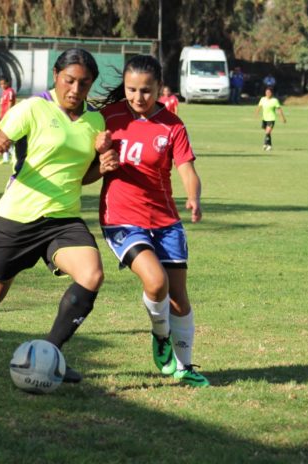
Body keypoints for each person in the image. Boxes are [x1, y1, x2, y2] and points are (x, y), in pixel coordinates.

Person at [0, 48, 119, 383]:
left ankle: (50, 354)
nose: (75, 90)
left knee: (91, 274)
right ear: (55, 75)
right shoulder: (33, 108)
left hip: (63, 219)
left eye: (84, 83)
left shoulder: (95, 120)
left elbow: (81, 175)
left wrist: (102, 166)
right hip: (17, 219)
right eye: (70, 81)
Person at [93, 55, 209, 387]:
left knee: (178, 297)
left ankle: (184, 367)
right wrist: (99, 154)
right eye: (131, 90)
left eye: (146, 90)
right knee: (156, 282)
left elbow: (188, 170)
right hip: (121, 219)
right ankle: (161, 337)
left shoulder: (172, 125)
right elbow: (86, 167)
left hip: (165, 220)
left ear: (159, 87)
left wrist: (194, 198)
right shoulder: (107, 118)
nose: (138, 97)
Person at [255, 87, 286, 151]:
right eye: (266, 92)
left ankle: (265, 144)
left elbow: (279, 109)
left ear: (271, 93)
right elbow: (259, 106)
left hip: (271, 118)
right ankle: (269, 145)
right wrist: (256, 113)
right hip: (264, 118)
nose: (267, 93)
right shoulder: (262, 99)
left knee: (267, 132)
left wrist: (282, 118)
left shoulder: (274, 100)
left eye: (269, 92)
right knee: (267, 133)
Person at [0, 76, 17, 164]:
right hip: (3, 117)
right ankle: (6, 157)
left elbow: (10, 104)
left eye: (4, 83)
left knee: (7, 137)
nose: (2, 85)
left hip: (8, 117)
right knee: (3, 137)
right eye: (0, 84)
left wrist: (6, 116)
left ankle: (13, 155)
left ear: (8, 83)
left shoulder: (10, 91)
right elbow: (3, 107)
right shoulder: (4, 92)